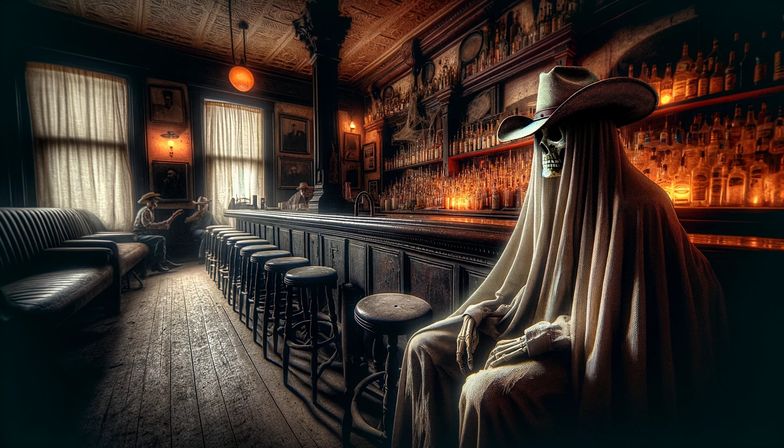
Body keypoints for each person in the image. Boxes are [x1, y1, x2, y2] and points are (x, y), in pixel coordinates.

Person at [392, 66, 727, 447]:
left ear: (592, 136)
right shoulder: (553, 199)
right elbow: (531, 281)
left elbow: (626, 328)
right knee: (424, 347)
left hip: (591, 354)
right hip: (541, 321)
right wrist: (484, 310)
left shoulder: (641, 207)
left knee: (484, 393)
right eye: (540, 139)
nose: (545, 150)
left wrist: (543, 338)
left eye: (557, 136)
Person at [133, 191, 184, 272]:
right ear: (148, 202)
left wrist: (173, 217)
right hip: (139, 236)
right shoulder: (145, 211)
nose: (155, 202)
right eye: (153, 201)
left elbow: (152, 226)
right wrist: (163, 223)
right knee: (160, 239)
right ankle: (159, 263)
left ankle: (159, 263)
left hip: (144, 234)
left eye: (155, 201)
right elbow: (148, 225)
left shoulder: (149, 211)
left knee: (160, 239)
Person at [185, 196, 216, 260]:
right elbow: (186, 221)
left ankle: (210, 255)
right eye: (200, 205)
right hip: (195, 231)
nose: (201, 206)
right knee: (205, 233)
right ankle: (201, 256)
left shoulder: (209, 215)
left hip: (206, 232)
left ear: (206, 205)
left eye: (203, 205)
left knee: (208, 235)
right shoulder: (195, 212)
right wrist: (196, 215)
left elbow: (215, 224)